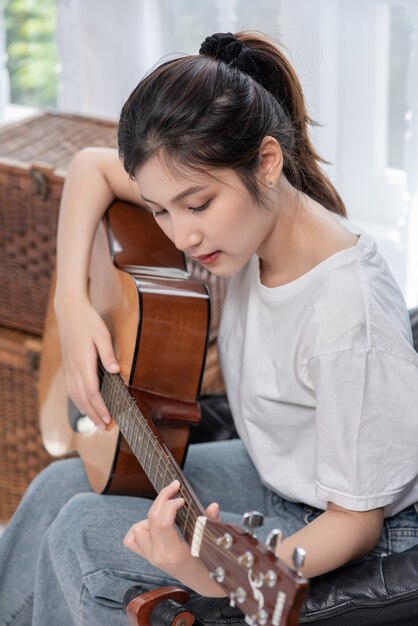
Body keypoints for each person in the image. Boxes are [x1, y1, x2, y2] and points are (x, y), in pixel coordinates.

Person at [1, 30, 418, 626]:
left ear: (267, 163)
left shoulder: (347, 315)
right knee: (54, 492)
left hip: (347, 528)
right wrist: (71, 304)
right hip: (278, 469)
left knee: (82, 537)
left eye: (195, 206)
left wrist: (225, 573)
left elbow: (357, 522)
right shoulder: (241, 217)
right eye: (160, 209)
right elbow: (90, 168)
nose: (180, 236)